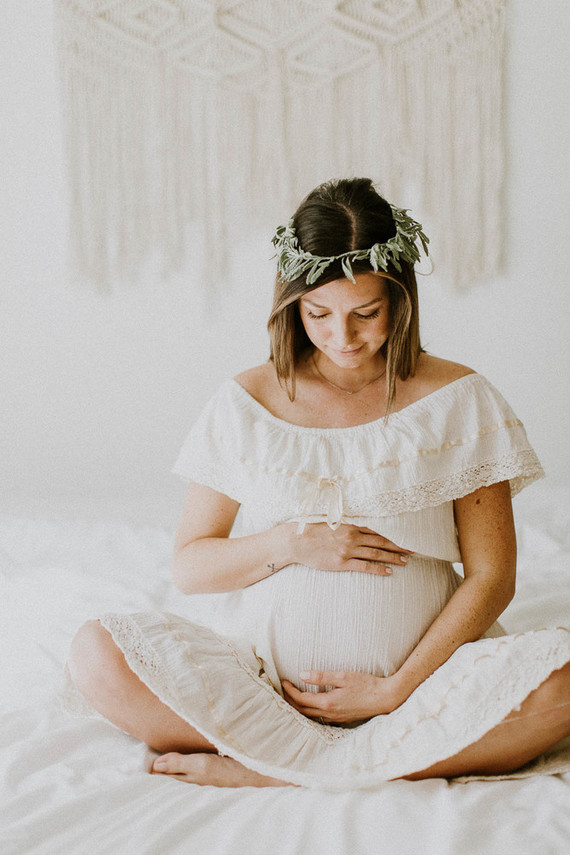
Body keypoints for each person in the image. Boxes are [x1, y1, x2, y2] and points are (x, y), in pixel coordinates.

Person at [68, 178, 570, 789]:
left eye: (366, 313)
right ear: (291, 306)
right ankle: (326, 760)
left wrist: (393, 690)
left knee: (563, 683)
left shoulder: (458, 400)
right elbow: (191, 567)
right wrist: (290, 544)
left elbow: (494, 577)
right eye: (318, 315)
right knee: (98, 654)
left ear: (400, 299)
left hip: (421, 694)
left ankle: (275, 773)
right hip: (267, 694)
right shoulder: (246, 402)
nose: (343, 337)